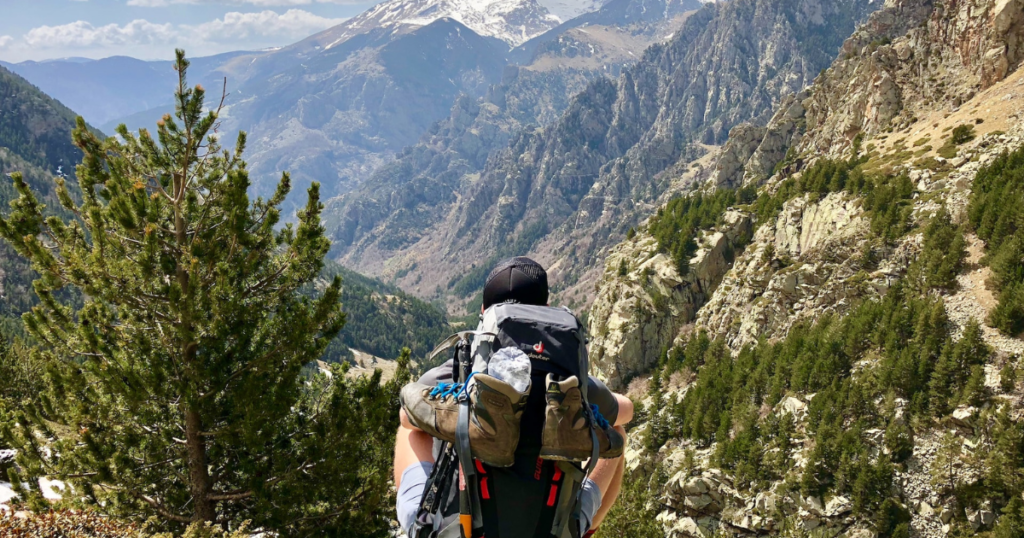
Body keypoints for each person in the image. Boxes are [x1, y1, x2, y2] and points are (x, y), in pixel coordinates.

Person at [394, 257, 634, 537]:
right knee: (616, 429)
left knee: (410, 431)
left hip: (461, 530)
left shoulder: (462, 370)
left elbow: (407, 417)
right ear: (546, 311)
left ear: (484, 313)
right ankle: (583, 527)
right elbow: (627, 409)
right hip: (553, 530)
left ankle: (421, 522)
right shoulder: (570, 380)